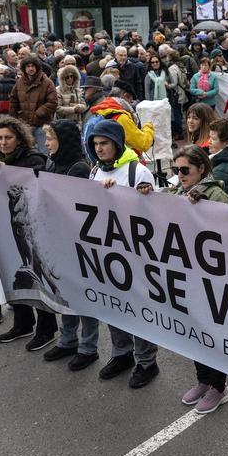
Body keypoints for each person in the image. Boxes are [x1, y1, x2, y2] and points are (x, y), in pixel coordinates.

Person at [86, 118, 160, 387]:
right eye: (95, 144)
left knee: (138, 307)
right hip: (106, 250)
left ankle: (147, 361)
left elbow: (152, 213)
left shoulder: (136, 172)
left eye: (104, 143)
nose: (99, 148)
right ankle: (122, 353)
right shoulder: (96, 170)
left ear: (117, 143)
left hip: (133, 252)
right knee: (113, 304)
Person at [161, 145, 228, 413]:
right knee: (193, 330)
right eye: (176, 170)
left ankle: (219, 387)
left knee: (211, 332)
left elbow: (227, 232)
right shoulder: (176, 192)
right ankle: (203, 380)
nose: (180, 175)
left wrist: (203, 207)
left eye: (185, 169)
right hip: (185, 272)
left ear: (201, 169)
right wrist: (145, 193)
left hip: (210, 277)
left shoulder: (217, 195)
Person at [0, 117, 50, 334]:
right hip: (4, 229)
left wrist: (8, 173)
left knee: (35, 274)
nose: (3, 142)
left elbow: (39, 187)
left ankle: (46, 328)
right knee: (12, 273)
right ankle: (23, 324)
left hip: (30, 229)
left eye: (8, 137)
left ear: (19, 139)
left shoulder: (33, 159)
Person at [38, 119, 103, 368]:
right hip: (58, 241)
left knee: (83, 295)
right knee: (64, 292)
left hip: (77, 244)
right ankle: (68, 340)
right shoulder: (53, 162)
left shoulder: (78, 168)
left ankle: (88, 347)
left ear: (63, 140)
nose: (47, 143)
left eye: (51, 138)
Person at [9, 56, 58, 151]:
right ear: (24, 68)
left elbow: (53, 102)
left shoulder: (47, 82)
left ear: (37, 67)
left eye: (33, 66)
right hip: (24, 124)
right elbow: (13, 101)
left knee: (45, 151)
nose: (30, 69)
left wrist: (38, 114)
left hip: (42, 124)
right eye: (28, 66)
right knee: (26, 152)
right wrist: (14, 119)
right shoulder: (19, 82)